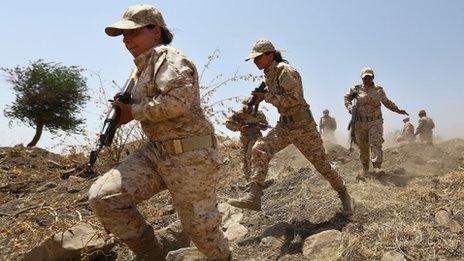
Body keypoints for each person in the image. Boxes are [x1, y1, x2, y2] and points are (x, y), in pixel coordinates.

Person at [87, 4, 230, 260]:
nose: (127, 40)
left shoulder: (169, 57)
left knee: (201, 232)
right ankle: (151, 255)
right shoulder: (143, 67)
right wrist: (125, 111)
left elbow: (179, 100)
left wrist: (134, 112)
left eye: (133, 32)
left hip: (191, 156)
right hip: (157, 152)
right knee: (104, 197)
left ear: (156, 31)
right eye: (123, 35)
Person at [227, 39, 353, 216]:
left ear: (270, 54)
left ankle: (344, 194)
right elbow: (276, 98)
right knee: (259, 149)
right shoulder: (268, 74)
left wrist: (266, 97)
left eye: (258, 57)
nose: (255, 62)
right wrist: (258, 98)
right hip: (285, 126)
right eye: (253, 59)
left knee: (322, 166)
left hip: (303, 126)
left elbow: (294, 99)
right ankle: (254, 197)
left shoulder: (285, 71)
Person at [344, 67, 408, 179]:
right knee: (363, 147)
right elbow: (346, 98)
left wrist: (398, 110)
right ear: (362, 78)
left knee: (375, 143)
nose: (367, 79)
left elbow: (387, 103)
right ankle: (365, 170)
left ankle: (377, 169)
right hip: (360, 123)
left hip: (375, 122)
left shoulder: (378, 90)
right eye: (365, 77)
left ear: (373, 77)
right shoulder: (356, 89)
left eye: (369, 77)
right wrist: (350, 108)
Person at [225, 99, 269, 180]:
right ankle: (249, 180)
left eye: (249, 106)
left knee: (251, 154)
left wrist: (261, 126)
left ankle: (256, 178)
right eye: (245, 106)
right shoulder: (238, 114)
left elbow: (266, 126)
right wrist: (239, 128)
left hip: (256, 136)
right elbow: (228, 124)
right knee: (245, 159)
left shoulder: (259, 114)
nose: (247, 108)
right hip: (244, 138)